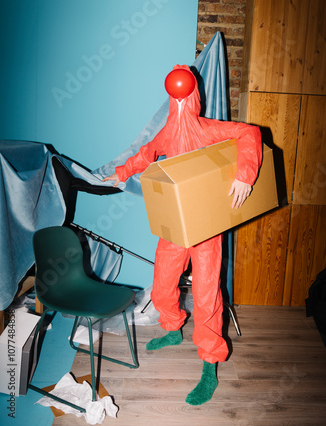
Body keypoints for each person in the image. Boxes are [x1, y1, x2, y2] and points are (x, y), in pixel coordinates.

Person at [103, 64, 262, 405]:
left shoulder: (207, 128)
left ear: (193, 98)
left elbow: (249, 133)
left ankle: (210, 365)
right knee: (162, 283)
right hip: (177, 225)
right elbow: (148, 152)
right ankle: (173, 329)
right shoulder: (170, 132)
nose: (179, 108)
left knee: (207, 297)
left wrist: (244, 175)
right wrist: (122, 171)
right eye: (173, 101)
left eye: (182, 99)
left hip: (206, 228)